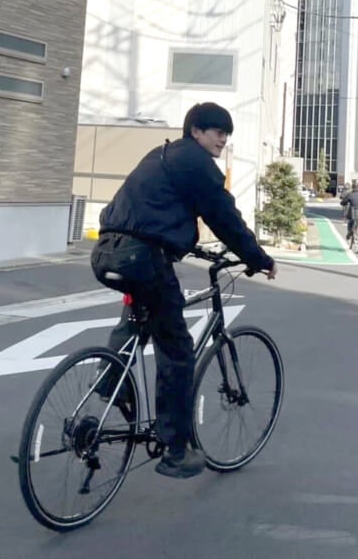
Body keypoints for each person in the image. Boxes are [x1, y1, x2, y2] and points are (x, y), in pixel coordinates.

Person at [92, 102, 277, 479]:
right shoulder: (197, 164)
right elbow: (224, 217)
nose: (223, 139)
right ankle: (176, 451)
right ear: (195, 131)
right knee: (176, 351)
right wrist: (258, 259)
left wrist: (182, 242)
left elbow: (149, 208)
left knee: (139, 316)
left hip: (108, 251)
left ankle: (111, 380)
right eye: (216, 131)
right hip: (144, 258)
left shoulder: (160, 155)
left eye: (226, 133)